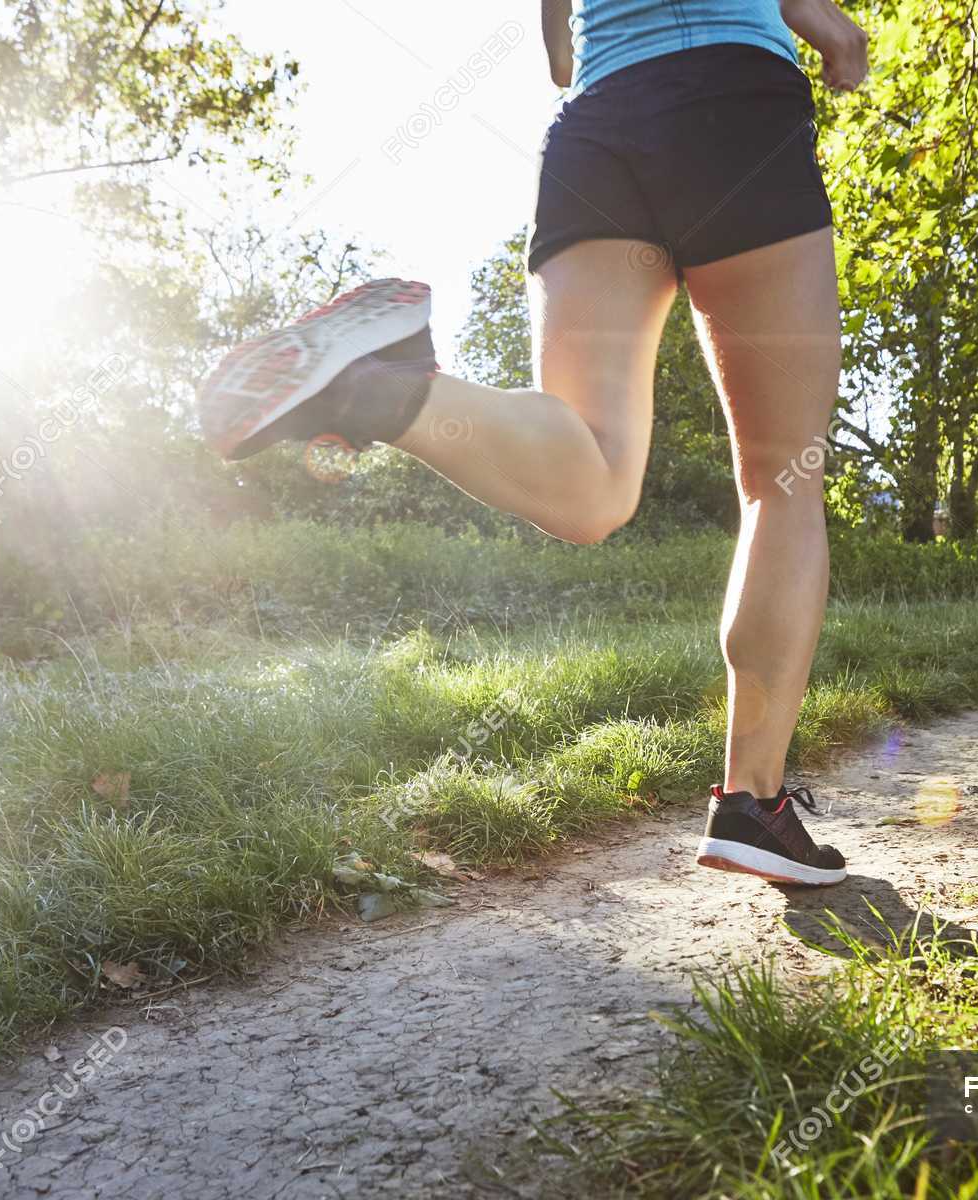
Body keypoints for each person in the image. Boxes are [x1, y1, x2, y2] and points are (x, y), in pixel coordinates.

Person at [197, 0, 869, 886]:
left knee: (591, 479)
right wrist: (835, 37)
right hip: (734, 103)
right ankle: (754, 802)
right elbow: (830, 32)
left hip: (599, 128)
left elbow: (559, 56)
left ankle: (373, 393)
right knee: (781, 483)